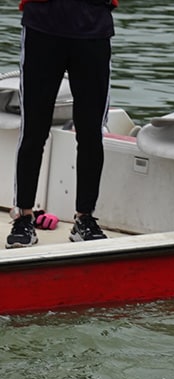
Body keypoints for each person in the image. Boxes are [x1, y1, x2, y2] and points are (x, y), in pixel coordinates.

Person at [6, 0, 117, 249]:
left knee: (90, 133)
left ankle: (84, 218)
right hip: (42, 27)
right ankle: (23, 217)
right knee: (33, 131)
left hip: (93, 29)